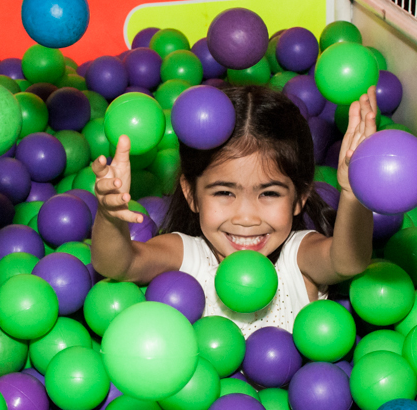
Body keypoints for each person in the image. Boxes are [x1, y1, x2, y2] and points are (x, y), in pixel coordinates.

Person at [91, 83, 378, 335]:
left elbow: (347, 261)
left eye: (269, 193)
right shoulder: (186, 256)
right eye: (225, 193)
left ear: (299, 197)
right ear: (191, 194)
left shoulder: (298, 257)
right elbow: (119, 264)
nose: (246, 218)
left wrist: (355, 193)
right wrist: (109, 215)